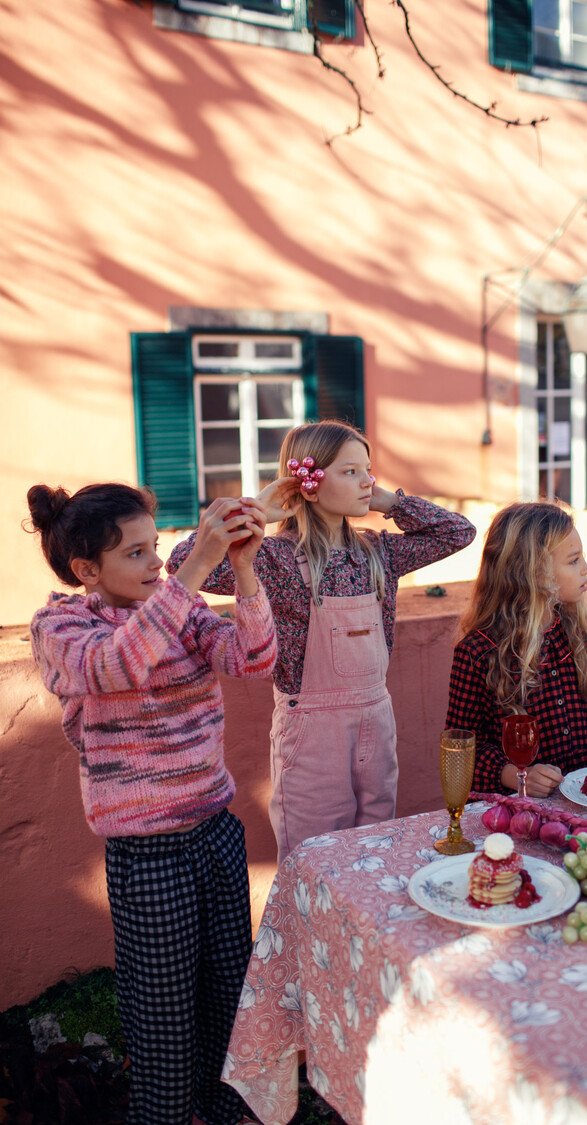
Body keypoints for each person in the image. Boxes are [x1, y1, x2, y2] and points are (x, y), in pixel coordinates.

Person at [27, 481, 277, 1125]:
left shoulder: (180, 609)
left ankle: (224, 1111)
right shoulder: (62, 625)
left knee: (228, 991)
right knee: (164, 1012)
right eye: (136, 554)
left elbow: (251, 659)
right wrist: (193, 571)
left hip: (217, 832)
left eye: (157, 547)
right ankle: (166, 1116)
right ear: (87, 570)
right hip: (147, 855)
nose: (157, 563)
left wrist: (245, 569)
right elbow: (117, 666)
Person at [168, 420, 476, 861]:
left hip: (377, 719)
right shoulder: (274, 557)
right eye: (350, 471)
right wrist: (258, 510)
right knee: (315, 860)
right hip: (312, 734)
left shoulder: (378, 553)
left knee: (376, 854)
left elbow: (457, 532)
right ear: (307, 485)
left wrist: (386, 500)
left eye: (367, 470)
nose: (367, 480)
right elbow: (182, 561)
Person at [445, 501, 587, 797]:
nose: (586, 568)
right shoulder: (479, 652)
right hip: (513, 814)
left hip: (581, 805)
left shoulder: (584, 636)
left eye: (583, 557)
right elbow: (461, 750)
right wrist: (515, 775)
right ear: (532, 572)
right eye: (573, 561)